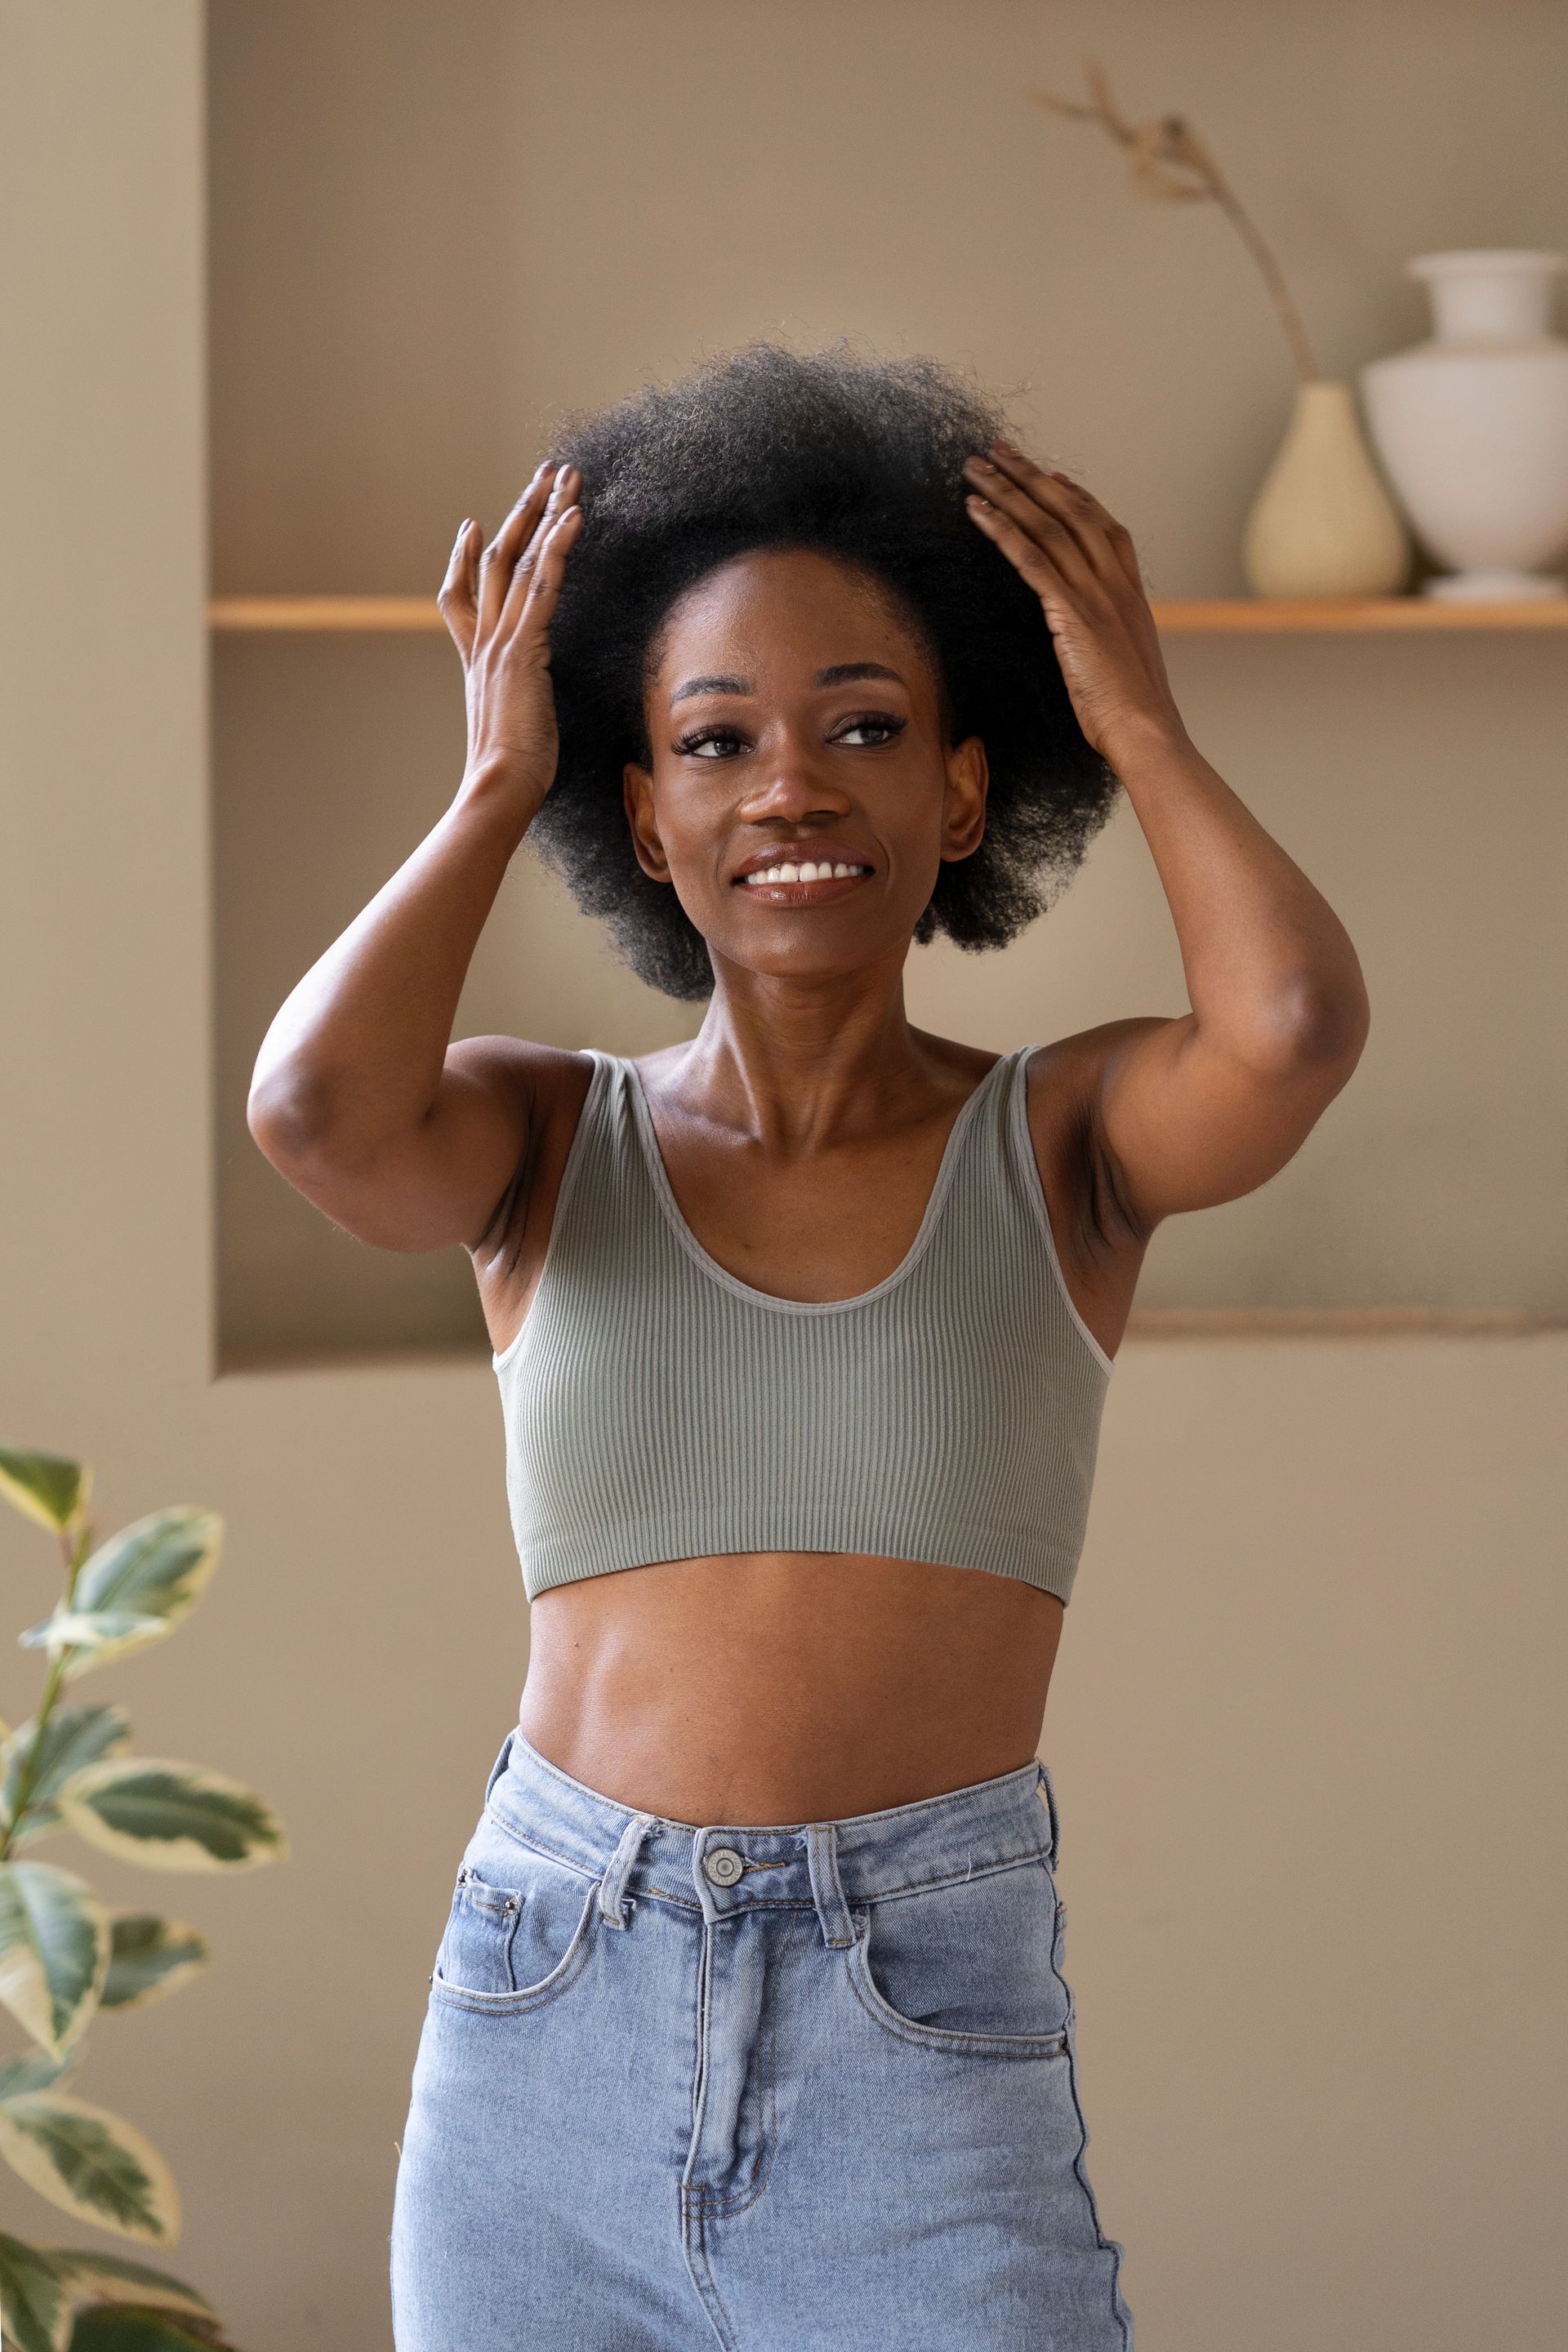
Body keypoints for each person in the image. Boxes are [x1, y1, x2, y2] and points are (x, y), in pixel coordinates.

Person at [247, 341, 1370, 2350]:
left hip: (915, 2033)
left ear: (963, 792)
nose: (788, 783)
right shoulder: (535, 1139)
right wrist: (496, 778)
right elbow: (316, 1112)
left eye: (864, 727)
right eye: (715, 740)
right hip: (544, 2011)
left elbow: (1286, 1032)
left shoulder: (1065, 1144)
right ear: (649, 812)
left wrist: (1137, 715)